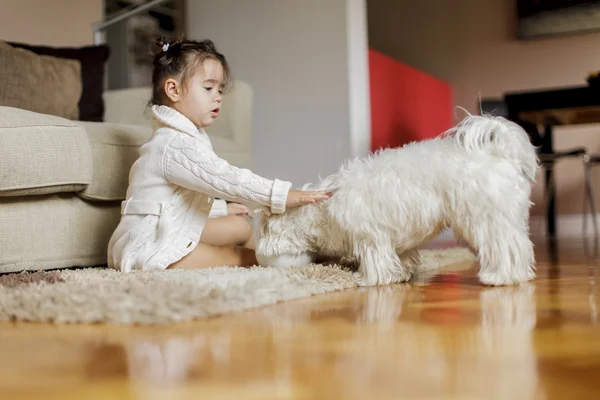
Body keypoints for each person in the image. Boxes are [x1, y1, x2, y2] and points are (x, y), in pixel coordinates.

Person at [107, 36, 331, 272]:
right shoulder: (173, 143)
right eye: (208, 88)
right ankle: (284, 257)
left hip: (167, 226)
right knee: (238, 256)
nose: (218, 96)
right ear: (173, 90)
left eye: (220, 89)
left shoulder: (188, 136)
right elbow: (225, 178)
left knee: (241, 227)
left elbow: (174, 201)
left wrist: (221, 210)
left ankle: (272, 248)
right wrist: (281, 195)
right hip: (148, 247)